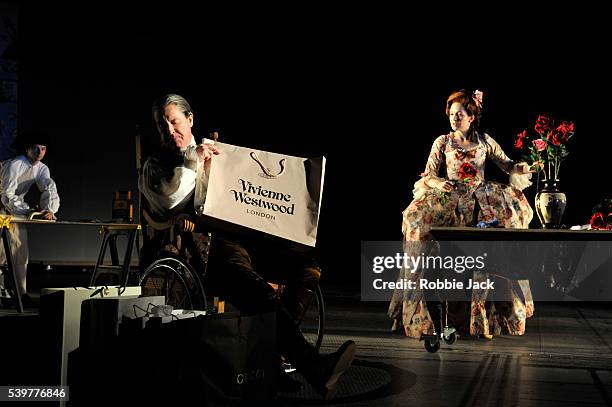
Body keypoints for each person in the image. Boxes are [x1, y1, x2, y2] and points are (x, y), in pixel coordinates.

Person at [139, 94, 355, 399]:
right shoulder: (155, 164)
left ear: (190, 119)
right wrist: (194, 161)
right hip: (203, 248)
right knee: (257, 289)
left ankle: (271, 362)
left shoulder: (218, 151)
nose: (169, 130)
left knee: (308, 268)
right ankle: (311, 366)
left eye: (174, 122)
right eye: (162, 126)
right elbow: (168, 200)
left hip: (245, 240)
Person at [388, 89, 535, 339]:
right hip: (451, 195)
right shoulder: (443, 142)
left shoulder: (485, 141)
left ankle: (495, 314)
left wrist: (519, 167)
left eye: (460, 114)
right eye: (452, 114)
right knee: (415, 219)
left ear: (471, 117)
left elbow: (507, 164)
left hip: (480, 198)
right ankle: (418, 314)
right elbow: (429, 174)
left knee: (507, 223)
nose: (454, 118)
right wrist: (436, 184)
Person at [0, 134, 60, 307]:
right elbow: (7, 194)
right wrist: (27, 210)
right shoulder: (15, 164)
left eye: (43, 148)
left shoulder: (42, 168)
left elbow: (49, 187)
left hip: (15, 209)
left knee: (20, 250)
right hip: (4, 205)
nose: (40, 152)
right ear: (27, 149)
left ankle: (21, 292)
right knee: (1, 252)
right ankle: (2, 293)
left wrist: (49, 209)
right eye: (36, 148)